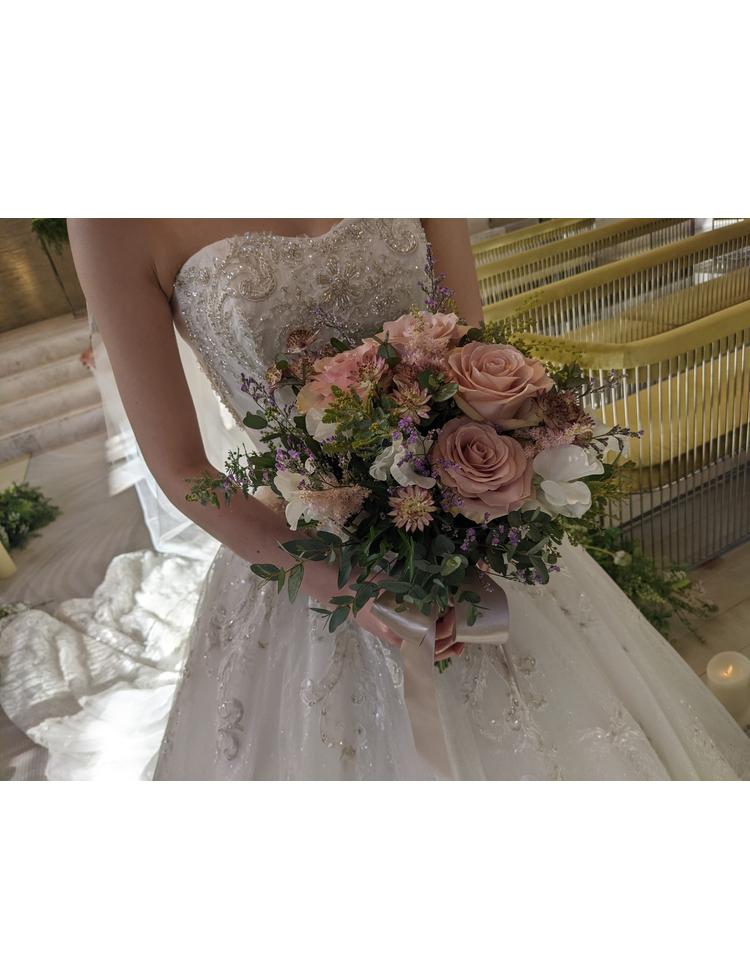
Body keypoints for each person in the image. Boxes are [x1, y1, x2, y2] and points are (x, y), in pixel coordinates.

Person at [66, 218, 750, 779]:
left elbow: (469, 350)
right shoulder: (111, 219)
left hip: (467, 516)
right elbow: (182, 468)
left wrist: (482, 489)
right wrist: (342, 580)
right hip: (308, 552)